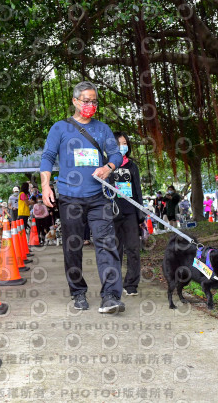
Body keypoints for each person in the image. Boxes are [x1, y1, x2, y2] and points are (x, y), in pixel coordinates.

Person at [40, 81, 125, 314]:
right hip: (70, 197)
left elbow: (116, 154)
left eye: (94, 101)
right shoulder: (60, 128)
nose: (90, 105)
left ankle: (110, 296)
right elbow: (47, 157)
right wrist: (46, 186)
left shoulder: (102, 128)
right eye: (86, 101)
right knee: (73, 246)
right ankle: (78, 292)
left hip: (99, 196)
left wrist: (108, 166)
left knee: (107, 244)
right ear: (75, 101)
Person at [108, 131, 144, 296]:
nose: (123, 147)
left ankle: (131, 284)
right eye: (119, 144)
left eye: (124, 143)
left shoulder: (132, 166)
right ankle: (114, 284)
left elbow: (138, 191)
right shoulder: (106, 165)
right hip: (112, 213)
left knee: (133, 249)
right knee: (115, 250)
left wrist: (140, 215)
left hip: (130, 213)